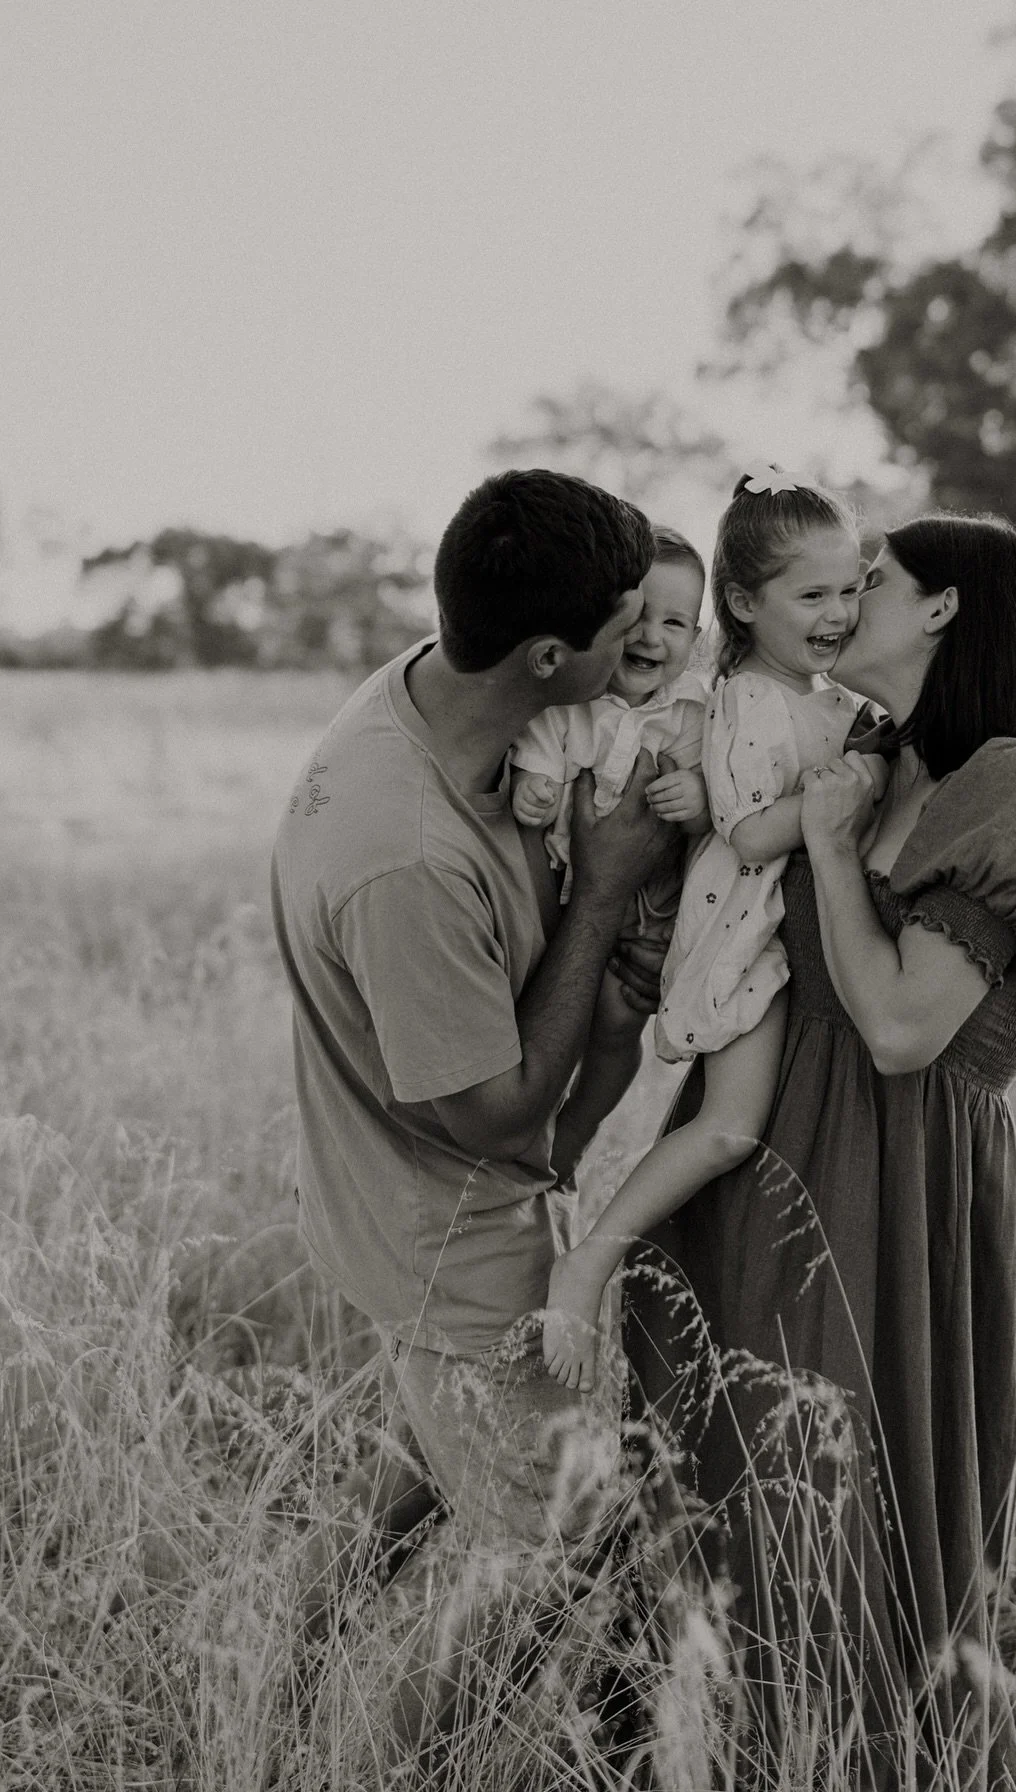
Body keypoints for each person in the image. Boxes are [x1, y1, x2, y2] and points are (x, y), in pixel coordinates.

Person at [627, 513, 1016, 1788]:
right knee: (736, 1485)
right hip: (767, 1153)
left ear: (945, 609)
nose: (844, 606)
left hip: (898, 1186)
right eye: (827, 588)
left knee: (852, 1505)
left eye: (875, 582)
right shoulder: (870, 750)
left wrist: (835, 848)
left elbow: (901, 1026)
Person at [270, 468, 681, 1755]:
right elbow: (498, 1119)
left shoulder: (451, 686)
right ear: (550, 651)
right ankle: (405, 1763)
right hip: (449, 1232)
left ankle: (275, 1707)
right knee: (570, 1547)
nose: (652, 639)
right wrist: (609, 890)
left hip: (396, 1209)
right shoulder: (407, 855)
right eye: (630, 624)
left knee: (419, 1482)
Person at [541, 467, 886, 1393]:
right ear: (742, 603)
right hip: (744, 930)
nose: (837, 613)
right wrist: (848, 794)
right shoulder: (744, 699)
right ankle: (586, 1265)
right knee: (729, 1129)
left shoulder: (839, 701)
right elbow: (744, 827)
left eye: (850, 591)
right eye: (811, 594)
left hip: (788, 930)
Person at [510, 525, 712, 1193]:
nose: (654, 636)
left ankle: (575, 1135)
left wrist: (697, 794)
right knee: (554, 1016)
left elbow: (716, 798)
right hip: (569, 892)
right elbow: (538, 755)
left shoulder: (693, 712)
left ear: (698, 637)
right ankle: (529, 1129)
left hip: (651, 902)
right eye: (639, 617)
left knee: (619, 1022)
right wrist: (535, 787)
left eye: (675, 623)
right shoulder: (573, 701)